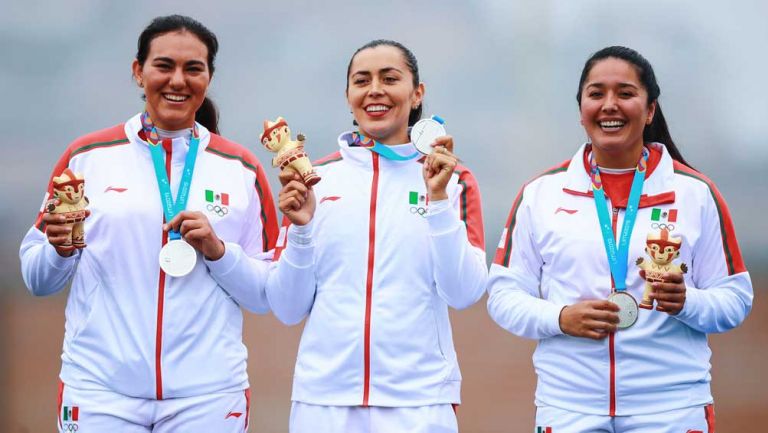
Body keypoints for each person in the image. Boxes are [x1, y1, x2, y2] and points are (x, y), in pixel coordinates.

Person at [19, 15, 278, 432]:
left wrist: (218, 252)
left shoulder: (241, 168)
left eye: (193, 68)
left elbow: (266, 294)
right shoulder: (86, 157)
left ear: (208, 77)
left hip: (207, 396)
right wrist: (60, 250)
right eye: (164, 66)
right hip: (100, 391)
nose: (178, 80)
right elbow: (38, 280)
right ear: (139, 72)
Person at [487, 45, 753, 433]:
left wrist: (687, 302)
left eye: (625, 93)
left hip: (670, 410)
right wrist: (560, 318)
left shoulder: (695, 193)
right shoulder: (541, 194)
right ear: (581, 111)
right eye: (596, 94)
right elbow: (503, 295)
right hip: (568, 408)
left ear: (649, 110)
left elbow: (735, 298)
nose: (609, 105)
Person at [265, 39, 488, 433]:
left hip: (419, 401)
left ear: (417, 92)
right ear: (348, 95)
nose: (375, 91)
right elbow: (286, 307)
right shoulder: (314, 180)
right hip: (323, 401)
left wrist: (437, 201)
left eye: (390, 78)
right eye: (361, 80)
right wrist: (300, 230)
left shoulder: (454, 181)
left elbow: (464, 292)